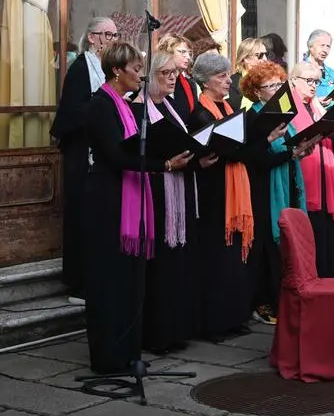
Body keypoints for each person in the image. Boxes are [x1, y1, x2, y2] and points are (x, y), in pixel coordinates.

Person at [82, 42, 192, 374]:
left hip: (128, 192)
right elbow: (116, 156)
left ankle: (127, 351)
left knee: (129, 279)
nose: (141, 76)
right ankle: (108, 356)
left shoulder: (125, 105)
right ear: (117, 71)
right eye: (136, 70)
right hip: (108, 197)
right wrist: (165, 165)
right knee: (109, 278)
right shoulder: (100, 105)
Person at [131, 52, 217, 354]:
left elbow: (181, 149)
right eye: (165, 73)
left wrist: (197, 163)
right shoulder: (138, 108)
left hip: (179, 191)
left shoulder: (169, 106)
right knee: (159, 268)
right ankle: (157, 334)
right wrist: (167, 163)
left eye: (174, 73)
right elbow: (137, 156)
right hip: (155, 196)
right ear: (150, 75)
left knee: (178, 264)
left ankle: (176, 331)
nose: (172, 78)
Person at [240, 61, 316, 325]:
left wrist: (302, 148)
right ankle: (265, 301)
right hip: (266, 190)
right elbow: (256, 159)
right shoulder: (254, 117)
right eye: (268, 86)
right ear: (256, 91)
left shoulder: (285, 113)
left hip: (290, 183)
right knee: (269, 248)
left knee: (288, 244)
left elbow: (291, 146)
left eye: (278, 84)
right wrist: (287, 152)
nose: (275, 89)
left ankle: (286, 298)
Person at [51, 16, 119, 302]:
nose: (112, 40)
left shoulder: (106, 70)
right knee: (80, 216)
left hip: (98, 153)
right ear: (92, 38)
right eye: (107, 35)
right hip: (81, 153)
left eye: (115, 35)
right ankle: (77, 282)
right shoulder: (81, 68)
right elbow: (71, 112)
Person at [188, 53, 255, 342]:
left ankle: (234, 316)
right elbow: (214, 148)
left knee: (234, 258)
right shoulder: (199, 113)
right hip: (215, 192)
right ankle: (214, 322)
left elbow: (239, 144)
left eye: (228, 75)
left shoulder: (229, 108)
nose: (230, 80)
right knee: (216, 258)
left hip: (234, 186)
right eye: (222, 76)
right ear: (206, 80)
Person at [289, 61, 334, 277]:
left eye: (317, 81)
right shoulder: (288, 105)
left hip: (323, 176)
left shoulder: (316, 107)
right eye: (308, 80)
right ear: (293, 80)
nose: (313, 85)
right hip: (302, 176)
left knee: (324, 232)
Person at [156, 34, 197, 122]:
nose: (188, 57)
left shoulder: (190, 85)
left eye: (189, 53)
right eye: (182, 52)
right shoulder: (155, 81)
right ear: (167, 52)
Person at [228, 37, 269, 110]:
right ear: (246, 58)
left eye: (266, 54)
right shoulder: (232, 82)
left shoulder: (271, 79)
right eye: (260, 55)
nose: (265, 59)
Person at [303, 29, 334, 101]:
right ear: (310, 47)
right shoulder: (301, 71)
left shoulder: (331, 73)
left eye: (328, 46)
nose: (325, 50)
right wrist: (316, 102)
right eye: (322, 45)